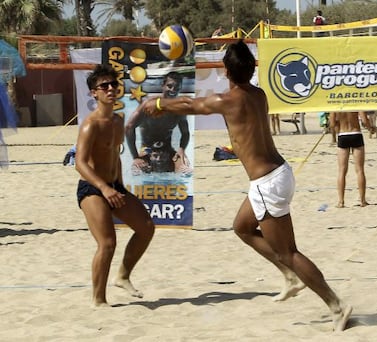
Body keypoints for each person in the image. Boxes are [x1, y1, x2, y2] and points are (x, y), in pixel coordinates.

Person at [141, 40, 352, 332]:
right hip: (279, 174)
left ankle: (335, 304)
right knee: (241, 227)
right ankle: (290, 277)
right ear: (251, 68)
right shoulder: (259, 94)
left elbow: (191, 105)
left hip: (267, 183)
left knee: (289, 252)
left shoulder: (228, 100)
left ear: (225, 70)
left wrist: (160, 103)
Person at [75, 64, 155, 307]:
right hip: (92, 188)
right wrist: (105, 188)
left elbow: (114, 155)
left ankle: (123, 276)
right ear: (94, 93)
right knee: (107, 243)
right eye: (104, 86)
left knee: (146, 228)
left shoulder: (118, 120)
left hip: (113, 185)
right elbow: (80, 163)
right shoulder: (91, 124)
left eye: (114, 85)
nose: (110, 89)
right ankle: (98, 300)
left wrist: (118, 185)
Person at [125, 71, 191, 174]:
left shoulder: (179, 109)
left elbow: (185, 133)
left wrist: (182, 149)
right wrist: (135, 157)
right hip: (147, 150)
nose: (173, 90)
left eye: (177, 87)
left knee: (185, 171)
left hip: (168, 150)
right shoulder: (149, 105)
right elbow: (129, 127)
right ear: (163, 86)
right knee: (137, 172)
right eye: (169, 86)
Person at [330, 111, 375, 208]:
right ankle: (362, 200)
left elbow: (332, 123)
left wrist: (338, 127)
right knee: (360, 170)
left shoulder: (337, 104)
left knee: (342, 171)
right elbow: (364, 120)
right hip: (356, 133)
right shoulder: (355, 101)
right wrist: (370, 128)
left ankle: (341, 201)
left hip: (343, 134)